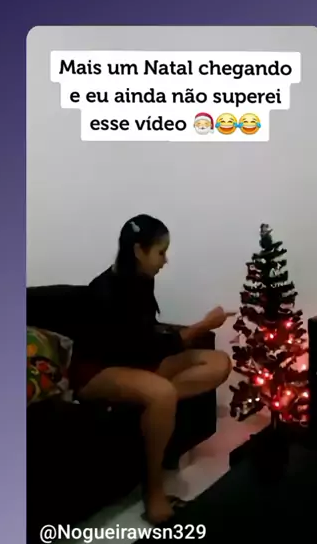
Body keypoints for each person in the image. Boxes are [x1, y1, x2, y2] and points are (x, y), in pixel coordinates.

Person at [73, 214, 233, 524]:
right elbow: (143, 346)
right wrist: (203, 325)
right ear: (138, 251)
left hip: (137, 362)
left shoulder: (143, 280)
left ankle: (154, 410)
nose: (165, 260)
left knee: (219, 362)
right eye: (161, 252)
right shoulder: (105, 291)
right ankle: (154, 488)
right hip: (99, 372)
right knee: (162, 393)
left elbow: (150, 340)